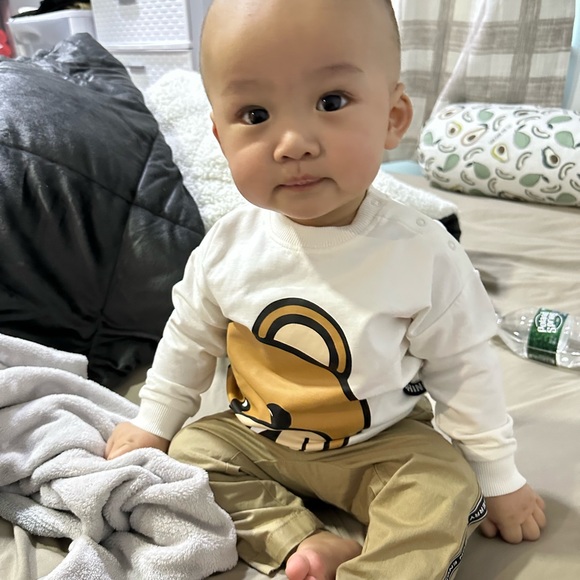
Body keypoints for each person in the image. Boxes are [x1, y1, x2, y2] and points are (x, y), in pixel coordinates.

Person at [106, 0, 547, 578]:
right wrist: (154, 421)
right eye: (256, 114)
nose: (293, 143)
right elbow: (188, 338)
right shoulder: (225, 248)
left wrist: (499, 475)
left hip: (382, 444)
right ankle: (301, 541)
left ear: (392, 117)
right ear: (220, 137)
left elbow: (465, 372)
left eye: (331, 102)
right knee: (191, 455)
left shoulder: (423, 254)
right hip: (256, 440)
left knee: (445, 485)